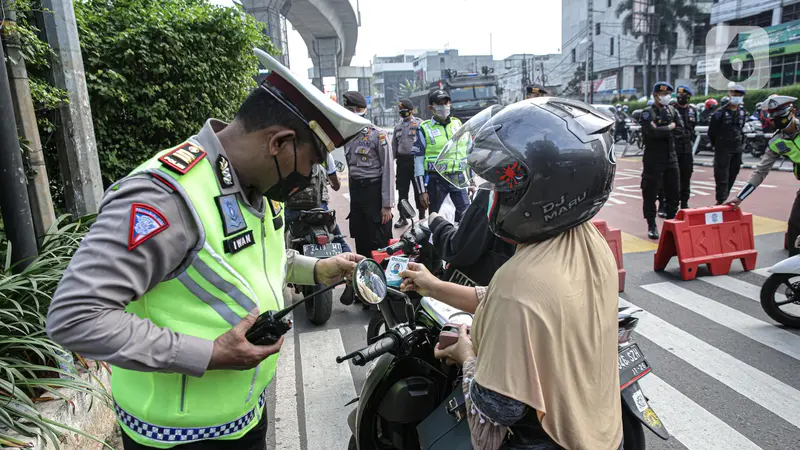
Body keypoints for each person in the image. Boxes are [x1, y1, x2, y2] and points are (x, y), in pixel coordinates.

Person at [45, 49, 367, 450]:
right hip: (177, 438)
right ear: (279, 143)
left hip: (245, 417)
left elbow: (250, 267)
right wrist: (209, 354)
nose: (313, 175)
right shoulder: (165, 197)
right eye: (313, 160)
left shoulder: (261, 189)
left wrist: (317, 270)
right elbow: (75, 317)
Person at [400, 98, 622, 450]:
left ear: (536, 194)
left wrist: (466, 355)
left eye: (500, 186)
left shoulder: (519, 284)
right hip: (604, 433)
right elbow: (514, 304)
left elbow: (489, 423)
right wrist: (434, 286)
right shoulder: (587, 241)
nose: (491, 195)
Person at [728, 95, 800, 255]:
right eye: (774, 118)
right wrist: (740, 197)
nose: (779, 121)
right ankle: (792, 273)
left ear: (792, 112)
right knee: (795, 225)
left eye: (781, 117)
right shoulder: (776, 141)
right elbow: (761, 171)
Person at [342, 91, 395, 256]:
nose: (348, 113)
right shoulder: (348, 135)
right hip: (357, 195)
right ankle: (362, 275)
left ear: (360, 109)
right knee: (360, 236)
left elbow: (388, 170)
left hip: (374, 193)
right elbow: (352, 171)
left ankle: (382, 277)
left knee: (378, 239)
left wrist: (387, 205)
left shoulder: (378, 135)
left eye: (350, 109)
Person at [413, 89, 470, 222]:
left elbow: (468, 152)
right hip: (437, 181)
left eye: (446, 103)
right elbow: (418, 163)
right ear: (431, 107)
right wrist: (422, 191)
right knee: (438, 220)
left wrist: (471, 181)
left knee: (465, 217)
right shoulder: (424, 128)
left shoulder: (458, 124)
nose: (444, 107)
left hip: (458, 178)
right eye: (439, 104)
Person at [284, 152, 352, 253]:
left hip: (293, 211)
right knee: (338, 239)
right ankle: (354, 264)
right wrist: (338, 181)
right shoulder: (324, 153)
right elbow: (336, 186)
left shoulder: (287, 152)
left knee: (278, 241)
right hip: (319, 210)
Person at [640, 81, 683, 239]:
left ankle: (671, 223)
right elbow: (652, 133)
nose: (666, 97)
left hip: (671, 158)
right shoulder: (646, 113)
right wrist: (669, 128)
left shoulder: (672, 111)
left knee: (673, 192)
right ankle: (651, 224)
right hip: (653, 159)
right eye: (663, 94)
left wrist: (662, 130)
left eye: (668, 94)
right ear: (655, 95)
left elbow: (680, 130)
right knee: (650, 193)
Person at [708, 84, 747, 204]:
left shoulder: (742, 112)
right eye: (735, 94)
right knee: (721, 177)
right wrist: (717, 145)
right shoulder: (720, 113)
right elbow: (712, 131)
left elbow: (741, 128)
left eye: (740, 95)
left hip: (736, 149)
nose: (737, 97)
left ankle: (725, 199)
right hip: (723, 149)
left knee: (733, 174)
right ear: (729, 94)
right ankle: (720, 201)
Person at [393, 98, 425, 226]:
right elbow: (394, 146)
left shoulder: (419, 124)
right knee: (402, 190)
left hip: (416, 161)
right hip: (402, 162)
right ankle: (402, 217)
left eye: (404, 111)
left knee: (419, 190)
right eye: (400, 111)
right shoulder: (398, 126)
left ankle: (422, 217)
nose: (402, 113)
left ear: (411, 111)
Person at [672, 85, 697, 209]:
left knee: (686, 176)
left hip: (687, 149)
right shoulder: (671, 110)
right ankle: (670, 203)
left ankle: (684, 203)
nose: (682, 98)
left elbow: (692, 129)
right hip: (673, 148)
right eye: (679, 96)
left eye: (685, 96)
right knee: (672, 178)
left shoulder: (692, 110)